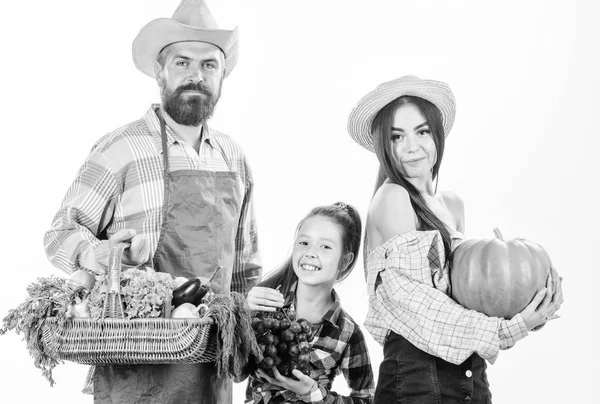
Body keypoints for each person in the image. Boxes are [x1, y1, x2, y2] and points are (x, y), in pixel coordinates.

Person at [43, 0, 261, 402]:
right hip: (136, 374)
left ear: (223, 76)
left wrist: (250, 341)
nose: (195, 76)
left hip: (211, 373)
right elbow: (60, 233)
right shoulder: (121, 149)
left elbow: (244, 267)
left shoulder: (234, 157)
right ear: (160, 71)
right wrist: (101, 255)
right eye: (182, 62)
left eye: (209, 65)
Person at [347, 75, 564, 403]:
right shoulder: (392, 198)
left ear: (436, 135)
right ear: (383, 145)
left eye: (422, 131)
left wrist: (534, 303)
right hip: (417, 377)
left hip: (470, 373)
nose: (412, 146)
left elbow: (474, 296)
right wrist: (509, 329)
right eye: (397, 136)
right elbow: (422, 310)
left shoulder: (451, 205)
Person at [243, 203, 375, 403]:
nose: (311, 252)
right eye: (304, 243)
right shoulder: (266, 305)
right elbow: (234, 373)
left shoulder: (348, 333)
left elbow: (367, 399)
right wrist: (242, 316)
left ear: (345, 261)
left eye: (325, 246)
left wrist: (313, 393)